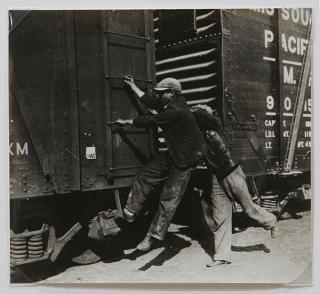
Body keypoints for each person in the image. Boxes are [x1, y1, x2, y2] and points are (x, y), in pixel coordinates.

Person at [114, 75, 206, 251]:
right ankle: (131, 211)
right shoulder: (170, 103)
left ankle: (151, 237)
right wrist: (133, 86)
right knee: (145, 174)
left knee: (168, 199)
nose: (158, 96)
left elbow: (151, 120)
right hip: (173, 154)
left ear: (171, 93)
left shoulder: (176, 110)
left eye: (161, 93)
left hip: (184, 161)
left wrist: (128, 121)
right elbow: (151, 102)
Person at [191, 104, 279, 266]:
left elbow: (202, 116)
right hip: (217, 176)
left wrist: (191, 110)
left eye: (202, 108)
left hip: (231, 172)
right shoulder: (200, 133)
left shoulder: (215, 124)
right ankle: (222, 257)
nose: (199, 109)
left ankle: (271, 221)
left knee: (248, 209)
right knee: (220, 216)